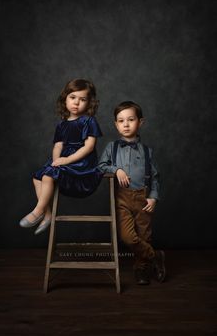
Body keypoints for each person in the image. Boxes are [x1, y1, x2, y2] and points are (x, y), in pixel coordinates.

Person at [20, 78, 103, 235]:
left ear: (89, 103)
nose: (76, 103)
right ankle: (47, 215)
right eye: (72, 98)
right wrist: (57, 160)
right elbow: (58, 145)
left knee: (48, 176)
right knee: (37, 177)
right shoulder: (62, 124)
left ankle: (38, 211)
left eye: (82, 99)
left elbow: (89, 147)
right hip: (64, 159)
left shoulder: (89, 121)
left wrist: (66, 160)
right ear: (65, 98)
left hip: (82, 161)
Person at [98, 101, 166, 285]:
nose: (126, 124)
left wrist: (153, 196)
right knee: (127, 236)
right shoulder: (111, 147)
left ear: (140, 122)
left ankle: (141, 269)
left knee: (144, 234)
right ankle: (155, 255)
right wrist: (116, 170)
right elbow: (101, 167)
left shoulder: (146, 151)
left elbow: (155, 176)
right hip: (121, 197)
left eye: (130, 119)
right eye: (121, 120)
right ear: (116, 124)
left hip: (143, 197)